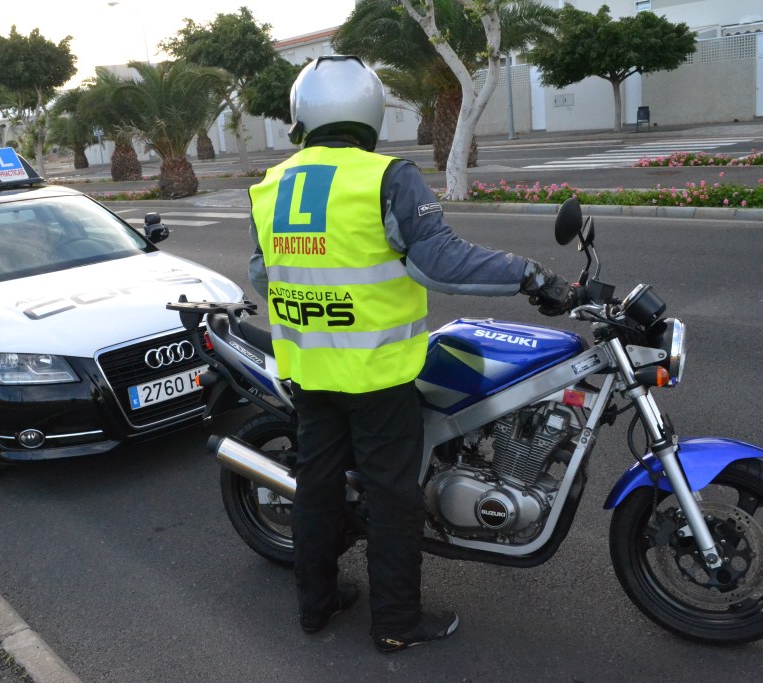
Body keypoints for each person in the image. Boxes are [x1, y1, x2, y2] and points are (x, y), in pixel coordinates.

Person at [247, 55, 581, 653]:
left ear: (303, 114)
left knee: (317, 489)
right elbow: (439, 261)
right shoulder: (386, 177)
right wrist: (530, 274)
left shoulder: (271, 186)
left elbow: (261, 275)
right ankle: (397, 624)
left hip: (311, 372)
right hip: (378, 377)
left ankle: (315, 607)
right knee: (392, 499)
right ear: (369, 111)